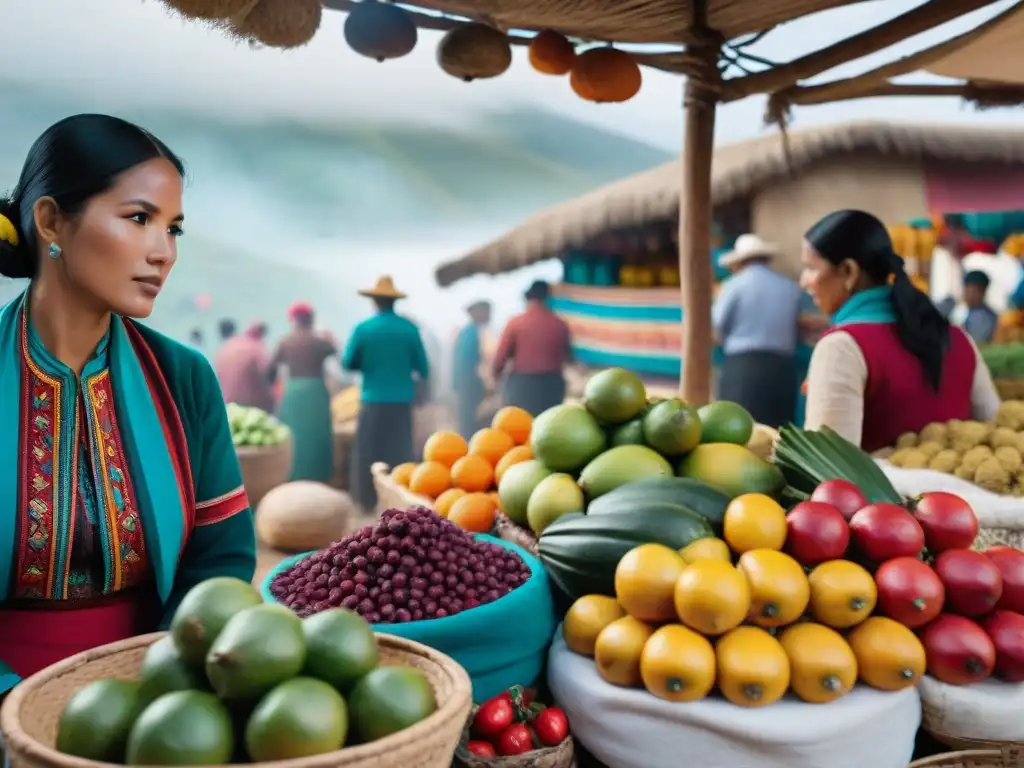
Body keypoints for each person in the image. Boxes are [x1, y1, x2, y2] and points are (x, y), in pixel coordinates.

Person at [0, 114, 255, 690]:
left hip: (154, 700)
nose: (164, 252)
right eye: (139, 219)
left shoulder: (184, 378)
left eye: (174, 229)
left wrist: (160, 685)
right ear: (50, 222)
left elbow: (221, 560)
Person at [800, 209, 1000, 452]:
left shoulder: (842, 347)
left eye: (810, 268)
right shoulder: (958, 338)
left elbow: (829, 463)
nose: (804, 281)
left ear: (848, 272)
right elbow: (997, 433)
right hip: (961, 491)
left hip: (881, 492)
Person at [342, 276, 429, 512]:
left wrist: (368, 362)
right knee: (400, 452)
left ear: (374, 302)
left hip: (372, 400)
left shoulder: (363, 329)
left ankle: (365, 502)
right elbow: (423, 368)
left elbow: (348, 362)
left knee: (366, 453)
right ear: (394, 302)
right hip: (401, 402)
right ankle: (402, 506)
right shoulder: (409, 329)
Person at [711, 234, 806, 428]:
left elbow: (716, 326)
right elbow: (798, 325)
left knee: (738, 429)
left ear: (738, 263)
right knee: (776, 433)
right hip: (782, 369)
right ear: (766, 259)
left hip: (742, 369)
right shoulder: (790, 287)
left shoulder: (732, 286)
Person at [269, 303, 336, 483]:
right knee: (317, 435)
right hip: (316, 392)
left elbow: (270, 370)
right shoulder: (320, 342)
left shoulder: (285, 341)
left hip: (295, 393)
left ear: (294, 320)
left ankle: (292, 477)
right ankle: (319, 478)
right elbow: (338, 355)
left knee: (294, 436)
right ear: (311, 320)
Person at [492, 280, 572, 416]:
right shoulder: (560, 325)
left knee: (520, 428)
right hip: (552, 386)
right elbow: (569, 356)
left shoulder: (515, 323)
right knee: (548, 428)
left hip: (523, 386)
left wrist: (496, 376)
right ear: (547, 299)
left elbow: (500, 359)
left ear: (528, 299)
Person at [453, 300, 492, 438]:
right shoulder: (472, 333)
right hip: (469, 385)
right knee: (470, 426)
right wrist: (483, 386)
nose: (490, 315)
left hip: (465, 385)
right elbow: (471, 364)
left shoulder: (467, 332)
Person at [214, 321, 274, 412]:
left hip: (228, 406)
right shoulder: (256, 348)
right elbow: (269, 374)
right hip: (253, 406)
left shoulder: (223, 349)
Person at [951, 270, 999, 345]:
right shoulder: (968, 311)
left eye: (971, 290)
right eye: (966, 289)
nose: (966, 294)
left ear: (981, 291)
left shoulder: (981, 316)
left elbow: (976, 345)